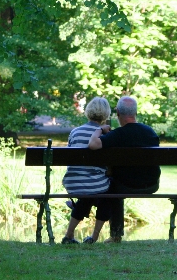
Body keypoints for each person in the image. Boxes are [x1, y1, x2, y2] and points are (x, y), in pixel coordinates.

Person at [88, 96, 161, 243]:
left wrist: (100, 130)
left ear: (118, 113)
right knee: (115, 184)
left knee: (113, 187)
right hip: (152, 184)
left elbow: (94, 145)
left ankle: (115, 235)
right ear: (135, 113)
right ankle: (114, 234)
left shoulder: (117, 135)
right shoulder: (150, 132)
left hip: (125, 186)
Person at [61, 97, 112, 244]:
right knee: (106, 193)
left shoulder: (75, 132)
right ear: (106, 114)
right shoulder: (106, 134)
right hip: (94, 184)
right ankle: (94, 237)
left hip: (73, 182)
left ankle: (69, 235)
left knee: (87, 195)